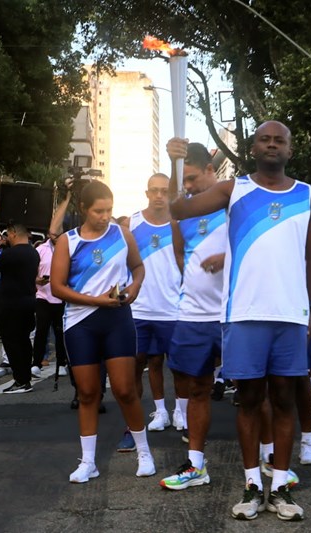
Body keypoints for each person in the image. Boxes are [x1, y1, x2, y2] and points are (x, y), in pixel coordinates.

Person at [169, 121, 311, 521]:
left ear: (290, 149)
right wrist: (175, 164)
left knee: (285, 401)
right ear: (253, 148)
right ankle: (253, 485)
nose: (272, 145)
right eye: (264, 140)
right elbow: (178, 209)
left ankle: (282, 486)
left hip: (288, 317)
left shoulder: (306, 195)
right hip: (243, 314)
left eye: (280, 140)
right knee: (250, 400)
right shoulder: (233, 189)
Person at [50, 181, 155, 483]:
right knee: (88, 393)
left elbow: (138, 268)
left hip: (117, 320)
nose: (105, 216)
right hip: (81, 323)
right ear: (83, 209)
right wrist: (97, 301)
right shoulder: (67, 242)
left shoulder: (122, 235)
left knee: (124, 389)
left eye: (109, 210)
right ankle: (88, 462)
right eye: (98, 211)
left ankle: (144, 452)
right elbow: (58, 288)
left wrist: (134, 289)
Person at [158, 140, 225, 490]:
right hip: (195, 314)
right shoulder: (182, 213)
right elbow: (182, 257)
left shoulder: (233, 204)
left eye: (194, 178)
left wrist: (226, 261)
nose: (189, 187)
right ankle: (196, 465)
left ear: (212, 171)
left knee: (256, 392)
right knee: (197, 388)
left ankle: (268, 461)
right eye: (185, 181)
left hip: (233, 313)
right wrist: (175, 164)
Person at [122, 172, 183, 450]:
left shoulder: (179, 224)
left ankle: (180, 412)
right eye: (154, 191)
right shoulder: (131, 224)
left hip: (173, 308)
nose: (159, 195)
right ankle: (154, 414)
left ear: (169, 193)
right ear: (147, 193)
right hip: (139, 310)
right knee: (140, 366)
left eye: (164, 191)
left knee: (179, 366)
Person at [0, 223, 39, 394]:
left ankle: (20, 381)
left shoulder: (11, 253)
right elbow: (3, 267)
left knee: (11, 342)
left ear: (13, 233)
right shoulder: (34, 253)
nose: (5, 238)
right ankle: (26, 378)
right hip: (29, 301)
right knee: (24, 341)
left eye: (7, 235)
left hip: (12, 304)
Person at [32, 231, 68, 377]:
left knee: (60, 333)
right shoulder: (40, 249)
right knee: (41, 331)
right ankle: (36, 363)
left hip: (61, 297)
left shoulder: (68, 249)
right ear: (49, 233)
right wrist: (37, 279)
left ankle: (62, 362)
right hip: (43, 296)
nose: (57, 236)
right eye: (55, 233)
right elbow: (32, 270)